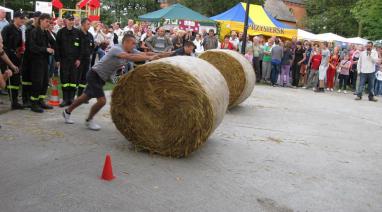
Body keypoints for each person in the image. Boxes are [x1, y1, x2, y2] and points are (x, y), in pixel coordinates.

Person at [62, 34, 161, 130]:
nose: (134, 45)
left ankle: (67, 111)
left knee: (84, 97)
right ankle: (89, 120)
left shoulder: (130, 50)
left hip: (102, 78)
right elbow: (130, 57)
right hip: (94, 75)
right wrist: (149, 58)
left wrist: (161, 55)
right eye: (133, 43)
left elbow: (145, 53)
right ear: (125, 42)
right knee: (102, 101)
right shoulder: (116, 49)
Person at [28, 13, 55, 113]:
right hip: (36, 61)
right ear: (41, 21)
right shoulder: (34, 32)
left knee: (44, 82)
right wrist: (45, 49)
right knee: (37, 82)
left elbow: (54, 43)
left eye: (49, 22)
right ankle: (33, 103)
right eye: (46, 21)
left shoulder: (46, 32)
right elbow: (32, 47)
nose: (48, 23)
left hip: (44, 60)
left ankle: (40, 101)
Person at [1, 11, 26, 110]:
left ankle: (15, 101)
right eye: (21, 18)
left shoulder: (19, 30)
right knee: (7, 79)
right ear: (15, 18)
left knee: (15, 79)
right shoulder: (7, 28)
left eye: (23, 18)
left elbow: (19, 45)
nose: (22, 20)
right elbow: (2, 45)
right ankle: (13, 101)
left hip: (16, 57)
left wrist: (21, 50)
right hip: (6, 57)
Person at [56, 14, 82, 107]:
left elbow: (81, 47)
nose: (71, 21)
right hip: (64, 60)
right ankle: (65, 99)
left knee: (73, 80)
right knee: (65, 80)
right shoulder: (61, 32)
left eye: (72, 19)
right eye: (69, 19)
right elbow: (57, 47)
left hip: (74, 61)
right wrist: (57, 59)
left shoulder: (78, 32)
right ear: (65, 21)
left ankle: (71, 99)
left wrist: (79, 59)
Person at [77, 18, 95, 98]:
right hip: (78, 60)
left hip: (87, 59)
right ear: (83, 24)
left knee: (84, 78)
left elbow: (92, 46)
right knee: (77, 77)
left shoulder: (90, 35)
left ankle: (80, 96)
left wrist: (90, 53)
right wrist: (78, 58)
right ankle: (71, 97)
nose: (89, 25)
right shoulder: (77, 33)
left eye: (89, 24)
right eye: (88, 24)